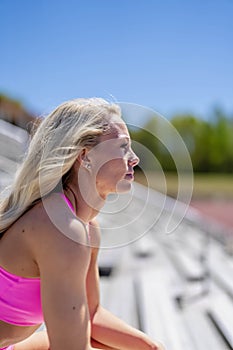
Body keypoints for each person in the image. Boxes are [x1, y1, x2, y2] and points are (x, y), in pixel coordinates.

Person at [0, 98, 164, 350]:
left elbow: (92, 314)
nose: (134, 159)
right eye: (123, 147)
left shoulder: (87, 228)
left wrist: (150, 346)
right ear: (85, 156)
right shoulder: (62, 230)